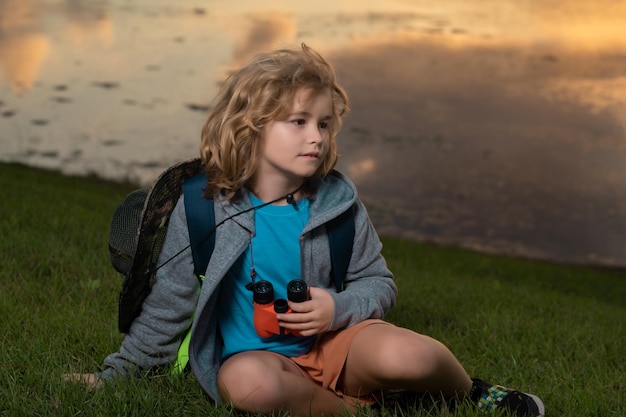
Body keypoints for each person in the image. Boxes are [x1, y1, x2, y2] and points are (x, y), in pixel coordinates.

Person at [70, 43, 545, 417]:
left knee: (413, 357)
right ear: (249, 126)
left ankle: (471, 394)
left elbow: (378, 283)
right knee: (248, 386)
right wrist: (114, 376)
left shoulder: (339, 204)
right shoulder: (201, 209)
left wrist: (336, 308)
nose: (316, 136)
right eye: (298, 122)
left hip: (336, 344)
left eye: (322, 123)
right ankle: (358, 409)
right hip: (255, 361)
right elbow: (165, 311)